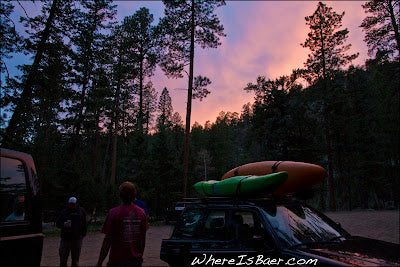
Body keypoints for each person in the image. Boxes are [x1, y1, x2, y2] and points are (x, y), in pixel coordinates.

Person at [96, 182, 148, 267]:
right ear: (134, 195)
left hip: (117, 260)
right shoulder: (141, 213)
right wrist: (139, 256)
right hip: (135, 261)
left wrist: (100, 262)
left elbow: (107, 240)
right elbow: (143, 238)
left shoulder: (114, 213)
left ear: (120, 195)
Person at [56, 197, 87, 267]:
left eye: (73, 204)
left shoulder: (81, 212)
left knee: (75, 260)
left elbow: (84, 224)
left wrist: (82, 235)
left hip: (77, 239)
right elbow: (58, 223)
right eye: (70, 204)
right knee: (63, 259)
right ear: (68, 204)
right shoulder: (64, 212)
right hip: (65, 239)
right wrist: (63, 224)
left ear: (76, 204)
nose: (72, 206)